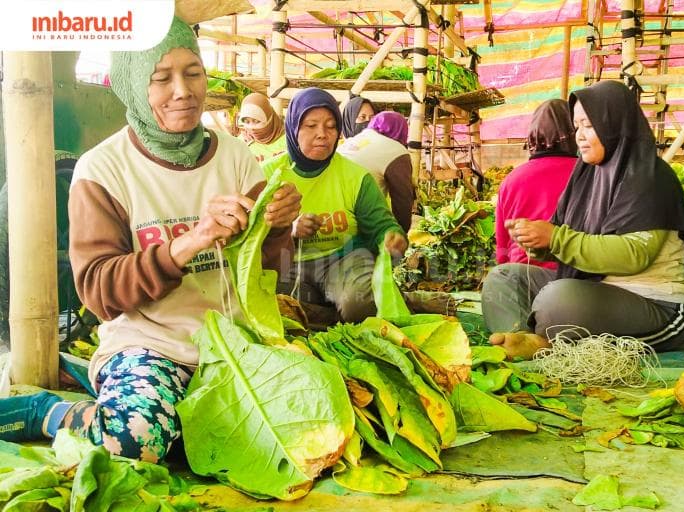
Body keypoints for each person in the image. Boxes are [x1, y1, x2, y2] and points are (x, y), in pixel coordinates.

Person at [0, 17, 301, 462]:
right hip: (149, 345)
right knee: (135, 438)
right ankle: (54, 412)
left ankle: (105, 386)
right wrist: (191, 240)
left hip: (235, 344)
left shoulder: (235, 156)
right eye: (161, 78)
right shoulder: (102, 171)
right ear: (132, 86)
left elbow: (272, 267)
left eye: (193, 72)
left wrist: (277, 224)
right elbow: (101, 291)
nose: (183, 90)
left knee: (310, 431)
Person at [482, 81, 684, 360]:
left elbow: (635, 255)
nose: (580, 136)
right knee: (503, 279)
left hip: (654, 304)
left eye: (589, 126)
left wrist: (555, 238)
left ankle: (541, 342)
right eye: (576, 127)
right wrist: (538, 243)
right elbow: (563, 237)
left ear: (614, 124)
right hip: (596, 289)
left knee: (555, 301)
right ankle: (521, 339)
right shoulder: (585, 176)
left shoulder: (650, 176)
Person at [263, 88, 407, 323]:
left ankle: (326, 317)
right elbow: (250, 237)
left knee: (359, 303)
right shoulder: (269, 175)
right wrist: (288, 231)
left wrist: (391, 237)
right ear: (293, 127)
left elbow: (382, 226)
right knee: (276, 308)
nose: (322, 134)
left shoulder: (355, 177)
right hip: (288, 264)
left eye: (331, 126)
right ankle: (323, 317)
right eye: (311, 125)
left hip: (345, 260)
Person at [495, 99, 577, 268]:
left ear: (532, 136)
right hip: (573, 278)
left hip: (521, 276)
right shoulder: (589, 173)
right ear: (573, 132)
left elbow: (502, 247)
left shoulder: (511, 180)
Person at [338, 111, 414, 231]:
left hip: (331, 216)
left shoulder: (352, 141)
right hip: (359, 221)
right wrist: (401, 234)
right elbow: (403, 200)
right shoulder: (396, 150)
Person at [237, 92, 287, 163]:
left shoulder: (289, 140)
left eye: (257, 121)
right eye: (247, 122)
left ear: (270, 119)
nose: (252, 127)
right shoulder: (242, 142)